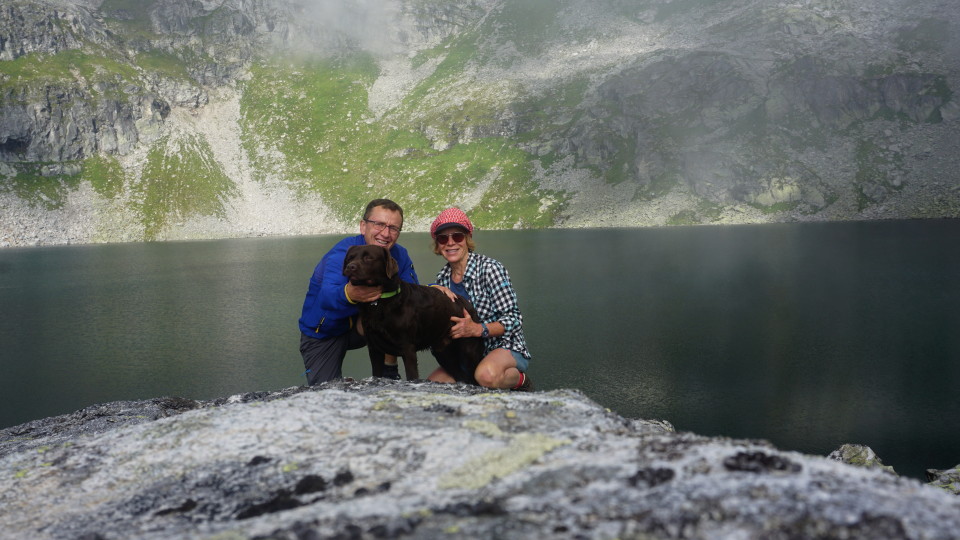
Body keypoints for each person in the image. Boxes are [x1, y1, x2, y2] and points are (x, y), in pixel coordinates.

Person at [298, 199, 419, 385]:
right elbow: (327, 296)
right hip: (324, 332)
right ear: (363, 226)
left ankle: (389, 370)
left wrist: (435, 289)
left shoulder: (398, 255)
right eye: (379, 224)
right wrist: (350, 293)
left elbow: (412, 293)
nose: (386, 234)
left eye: (393, 228)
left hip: (361, 327)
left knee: (398, 308)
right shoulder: (344, 252)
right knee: (326, 393)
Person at [426, 207, 533, 391]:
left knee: (485, 376)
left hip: (503, 344)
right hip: (468, 353)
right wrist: (431, 288)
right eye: (443, 238)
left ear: (467, 238)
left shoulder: (490, 269)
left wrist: (478, 329)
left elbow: (514, 320)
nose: (450, 243)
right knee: (432, 387)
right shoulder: (442, 278)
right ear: (438, 244)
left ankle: (520, 380)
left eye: (457, 236)